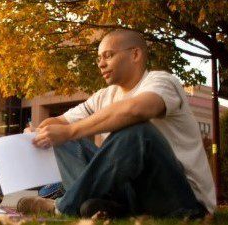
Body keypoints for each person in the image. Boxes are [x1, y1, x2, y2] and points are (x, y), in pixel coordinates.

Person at [17, 29, 215, 218]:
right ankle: (97, 206)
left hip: (180, 196)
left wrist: (70, 131)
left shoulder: (163, 82)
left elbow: (136, 110)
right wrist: (38, 131)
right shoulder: (104, 96)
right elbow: (60, 122)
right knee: (59, 137)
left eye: (108, 55)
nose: (100, 64)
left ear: (135, 54)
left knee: (138, 130)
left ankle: (64, 207)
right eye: (98, 58)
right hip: (132, 196)